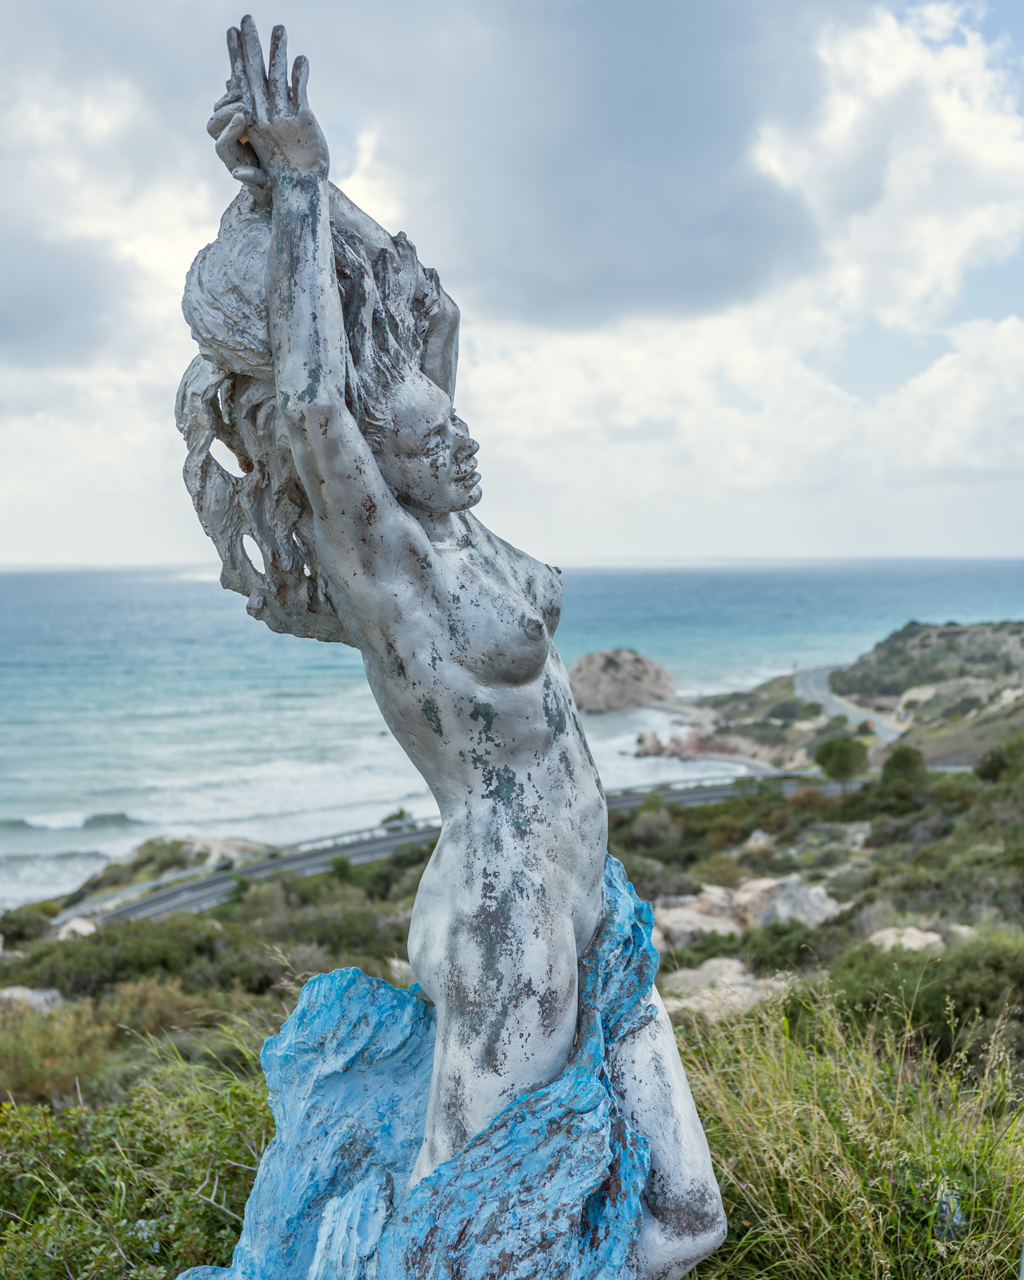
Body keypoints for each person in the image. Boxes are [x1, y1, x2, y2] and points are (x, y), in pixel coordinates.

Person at [182, 17, 725, 1278]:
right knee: (459, 1237)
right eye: (435, 442)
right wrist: (304, 189)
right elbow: (319, 403)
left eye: (459, 425)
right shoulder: (395, 562)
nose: (465, 447)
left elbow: (433, 304)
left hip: (593, 892)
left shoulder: (461, 514)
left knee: (685, 1219)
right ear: (379, 471)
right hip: (508, 908)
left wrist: (280, 180)